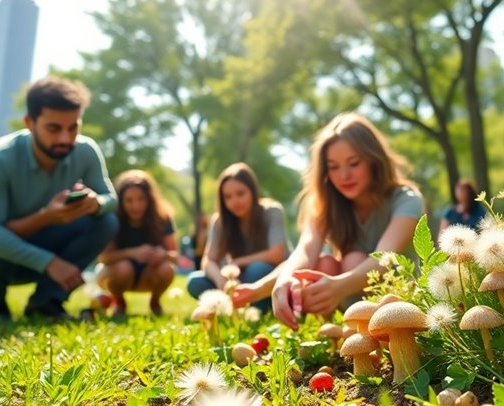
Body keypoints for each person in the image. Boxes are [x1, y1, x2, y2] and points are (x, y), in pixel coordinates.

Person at [0, 77, 119, 321]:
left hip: (38, 240)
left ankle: (46, 303)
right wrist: (50, 261)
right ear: (30, 123)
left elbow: (111, 199)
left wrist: (96, 204)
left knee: (106, 221)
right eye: (53, 128)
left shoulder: (86, 151)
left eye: (73, 128)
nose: (64, 138)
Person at [271, 112, 425, 330]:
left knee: (353, 260)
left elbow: (383, 259)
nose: (344, 175)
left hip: (400, 303)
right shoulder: (326, 205)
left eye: (353, 163)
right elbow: (306, 249)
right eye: (333, 167)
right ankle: (344, 334)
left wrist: (338, 287)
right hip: (350, 304)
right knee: (324, 263)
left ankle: (367, 333)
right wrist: (285, 279)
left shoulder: (407, 199)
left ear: (373, 159)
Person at [186, 163, 289, 312]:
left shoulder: (272, 211)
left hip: (269, 279)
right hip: (236, 280)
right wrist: (220, 279)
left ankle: (257, 308)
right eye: (227, 197)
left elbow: (277, 254)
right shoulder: (220, 221)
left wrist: (238, 262)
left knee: (257, 269)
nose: (235, 201)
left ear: (253, 191)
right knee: (195, 282)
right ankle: (236, 306)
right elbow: (208, 260)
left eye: (240, 193)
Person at [95, 170, 178, 316]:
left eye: (141, 199)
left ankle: (155, 301)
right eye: (129, 200)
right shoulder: (112, 219)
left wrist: (163, 254)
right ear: (121, 201)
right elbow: (103, 258)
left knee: (166, 269)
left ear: (149, 199)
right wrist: (132, 253)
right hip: (115, 275)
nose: (136, 206)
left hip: (148, 274)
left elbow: (175, 256)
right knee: (123, 267)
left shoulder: (162, 218)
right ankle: (119, 302)